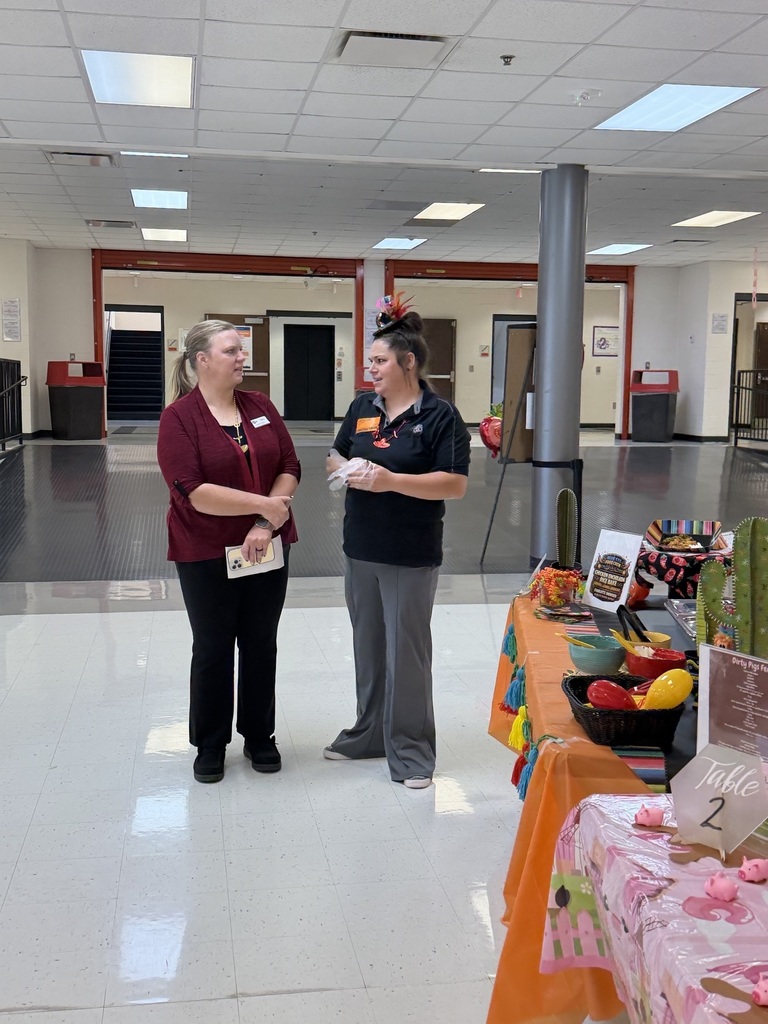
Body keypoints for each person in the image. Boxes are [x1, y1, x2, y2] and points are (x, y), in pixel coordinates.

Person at [324, 296, 470, 789]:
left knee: (407, 653)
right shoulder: (363, 407)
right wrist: (350, 470)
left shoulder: (441, 415)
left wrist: (390, 481)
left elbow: (453, 483)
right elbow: (334, 455)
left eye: (379, 361)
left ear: (408, 362)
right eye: (369, 362)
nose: (371, 370)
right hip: (361, 547)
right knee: (367, 646)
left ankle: (410, 751)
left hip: (410, 553)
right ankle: (368, 733)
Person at [157, 320, 300, 784]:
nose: (242, 359)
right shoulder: (179, 417)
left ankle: (260, 735)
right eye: (232, 351)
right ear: (202, 360)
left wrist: (264, 524)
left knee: (261, 643)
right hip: (204, 551)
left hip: (266, 547)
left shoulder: (259, 406)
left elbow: (289, 465)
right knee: (214, 646)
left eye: (241, 351)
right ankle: (211, 742)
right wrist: (265, 505)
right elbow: (192, 490)